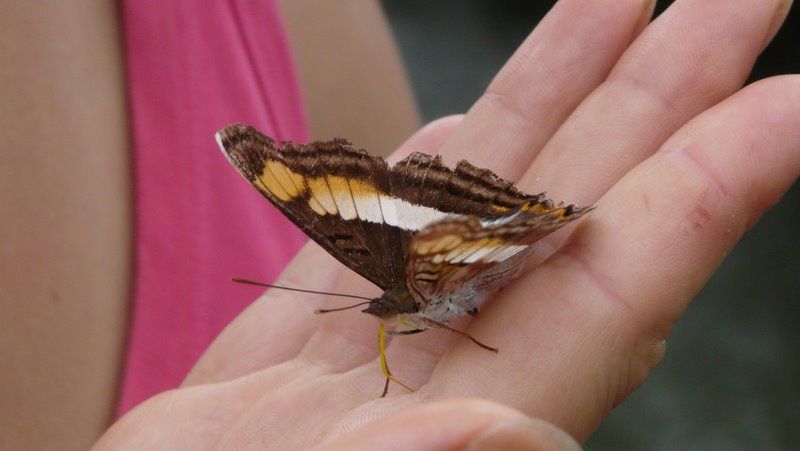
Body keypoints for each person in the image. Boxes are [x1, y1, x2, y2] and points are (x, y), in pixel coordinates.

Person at [7, 0, 800, 448]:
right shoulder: (391, 292)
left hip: (475, 230)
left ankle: (520, 223)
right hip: (469, 224)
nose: (381, 317)